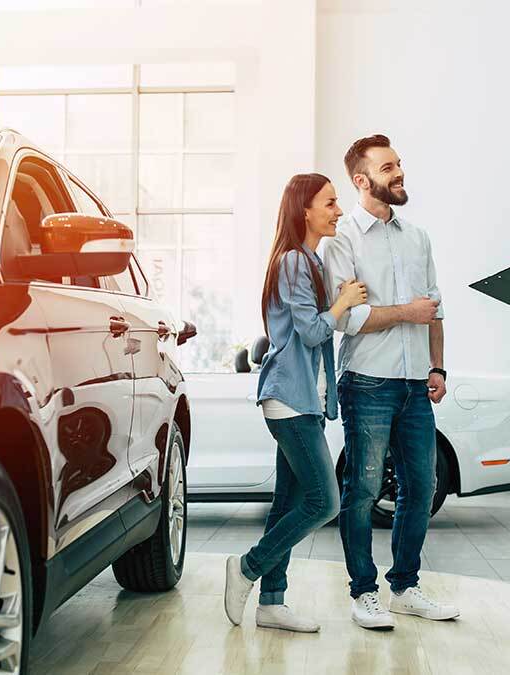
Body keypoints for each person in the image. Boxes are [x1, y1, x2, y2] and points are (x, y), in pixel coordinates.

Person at [323, 134, 459, 631]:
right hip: (367, 382)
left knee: (420, 488)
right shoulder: (342, 240)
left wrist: (437, 368)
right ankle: (364, 592)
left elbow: (435, 309)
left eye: (399, 163)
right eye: (388, 167)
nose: (399, 173)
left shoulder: (417, 237)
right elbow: (346, 319)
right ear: (361, 180)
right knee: (360, 490)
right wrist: (405, 312)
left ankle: (404, 586)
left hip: (414, 384)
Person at [223, 173, 368, 632]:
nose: (338, 210)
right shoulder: (292, 262)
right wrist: (343, 302)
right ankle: (247, 567)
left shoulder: (307, 260)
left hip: (303, 399)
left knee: (288, 501)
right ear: (304, 209)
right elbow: (310, 332)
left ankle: (271, 601)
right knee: (325, 501)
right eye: (329, 202)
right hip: (288, 399)